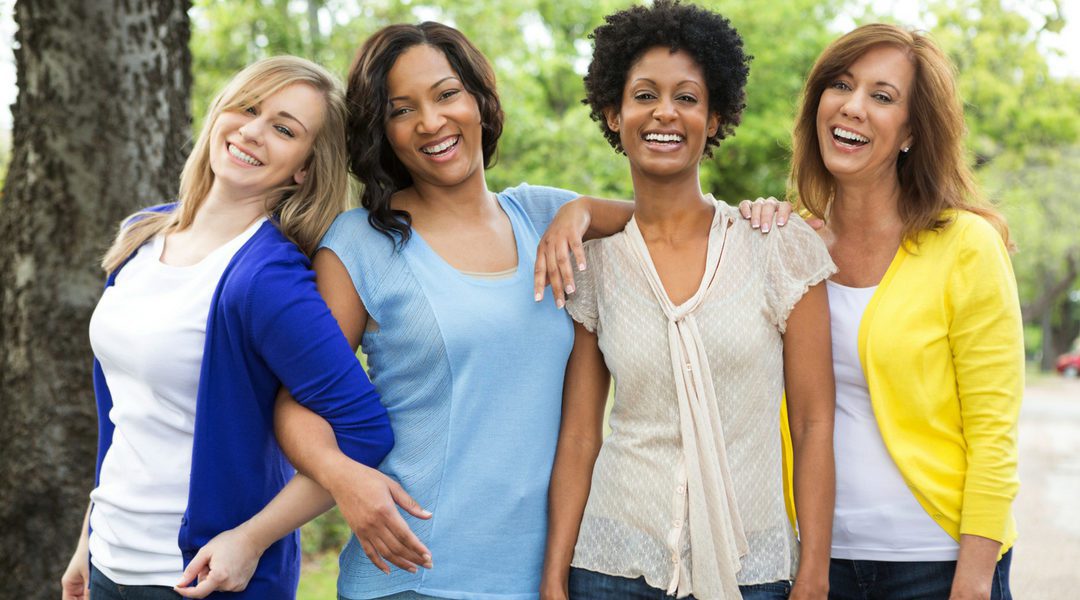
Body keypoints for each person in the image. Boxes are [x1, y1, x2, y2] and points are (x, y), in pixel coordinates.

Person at [59, 56, 395, 600]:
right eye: (249, 108)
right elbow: (127, 416)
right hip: (109, 559)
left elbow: (364, 431)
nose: (253, 132)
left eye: (285, 129)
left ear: (304, 168)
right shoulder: (140, 236)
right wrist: (87, 536)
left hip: (201, 579)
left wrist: (252, 539)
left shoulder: (268, 279)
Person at [539, 2, 836, 599]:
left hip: (753, 569)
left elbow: (812, 424)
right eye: (644, 94)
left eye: (687, 97)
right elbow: (579, 436)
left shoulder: (776, 248)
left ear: (715, 114)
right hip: (613, 564)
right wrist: (553, 578)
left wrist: (813, 575)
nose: (664, 112)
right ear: (612, 113)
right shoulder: (596, 264)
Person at [781, 23, 1023, 599]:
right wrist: (583, 211)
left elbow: (994, 432)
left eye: (882, 96)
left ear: (912, 131)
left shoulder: (966, 244)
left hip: (936, 565)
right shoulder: (789, 245)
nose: (853, 107)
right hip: (817, 564)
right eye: (840, 85)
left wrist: (972, 582)